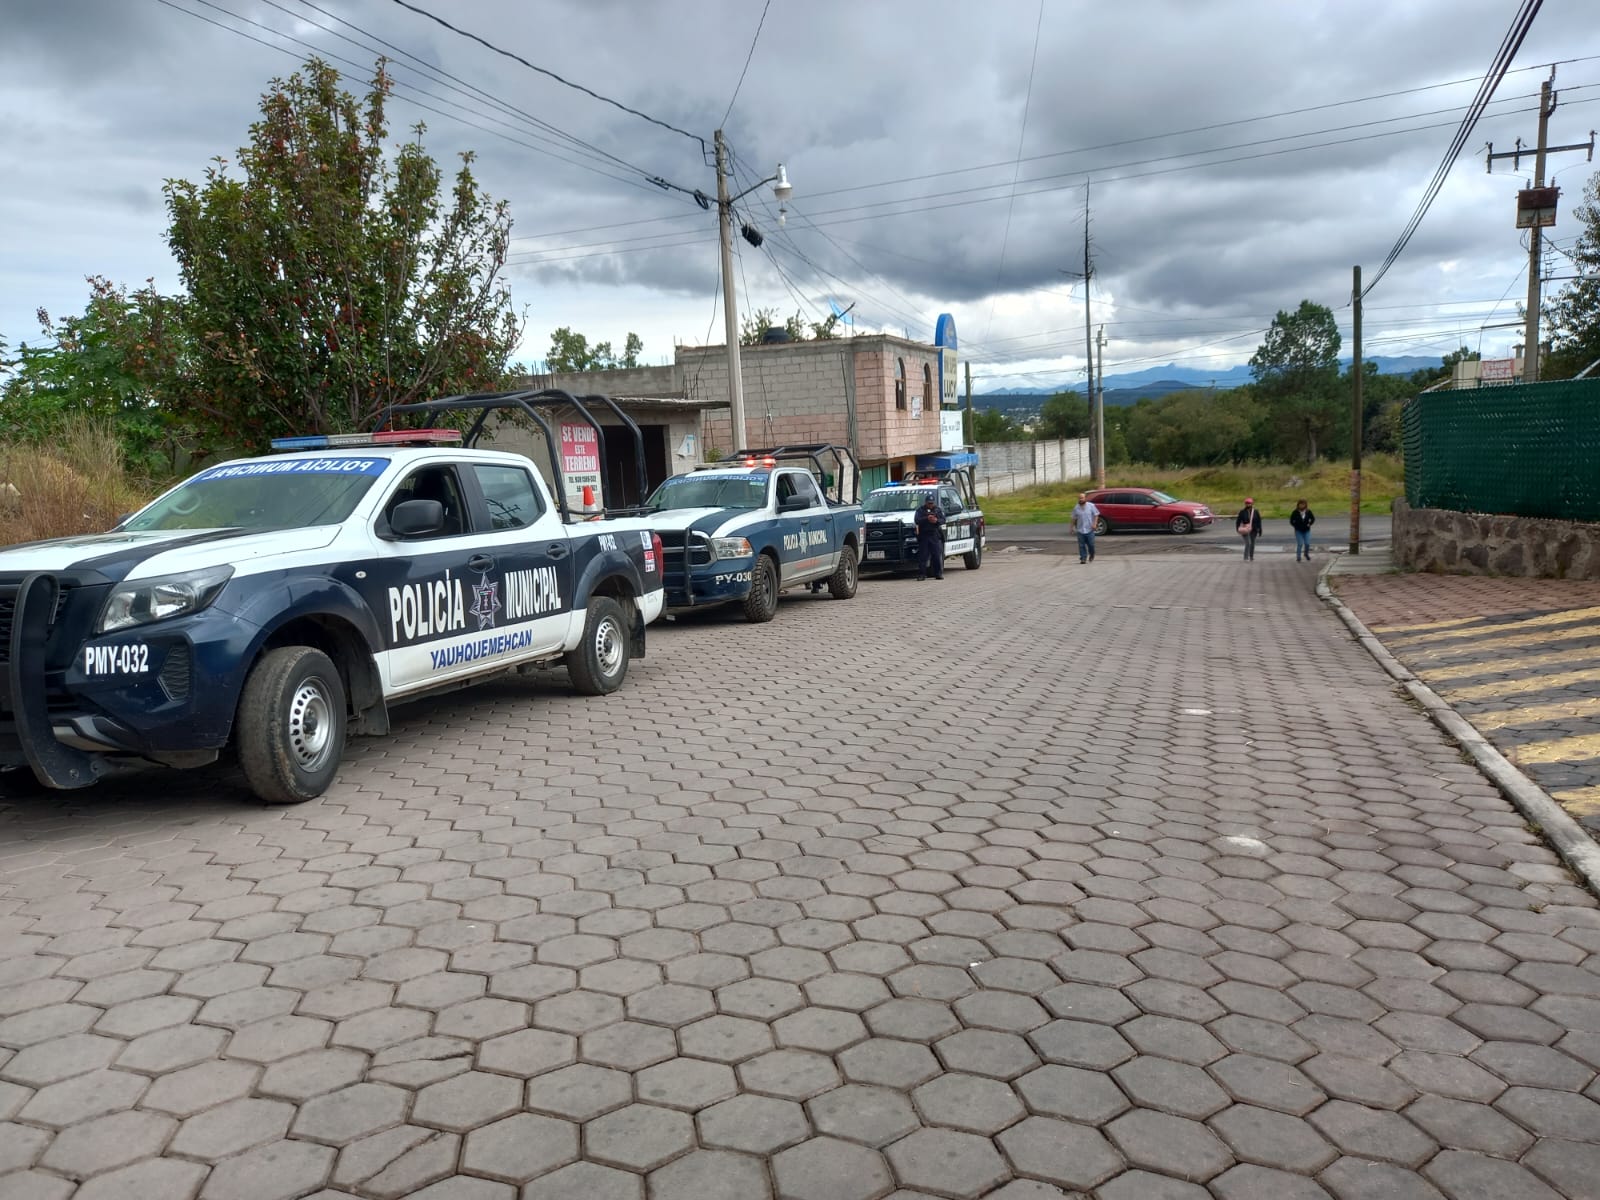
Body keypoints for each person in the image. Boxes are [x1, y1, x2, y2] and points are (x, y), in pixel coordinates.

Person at [914, 494, 945, 580]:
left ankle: (938, 574)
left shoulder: (937, 510)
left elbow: (943, 520)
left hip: (934, 535)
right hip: (924, 535)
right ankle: (922, 574)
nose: (930, 505)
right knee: (923, 556)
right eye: (929, 503)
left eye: (932, 503)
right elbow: (917, 520)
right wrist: (927, 518)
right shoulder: (920, 510)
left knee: (936, 555)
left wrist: (936, 520)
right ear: (926, 502)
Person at [1069, 492, 1100, 564]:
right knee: (1081, 545)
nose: (1081, 499)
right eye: (1079, 498)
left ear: (1085, 498)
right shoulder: (1076, 508)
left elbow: (1096, 514)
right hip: (1080, 530)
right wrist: (1071, 528)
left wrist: (1094, 524)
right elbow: (1073, 518)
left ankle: (1092, 554)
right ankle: (1083, 558)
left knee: (1091, 545)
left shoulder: (1091, 506)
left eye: (1082, 498)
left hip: (1090, 529)